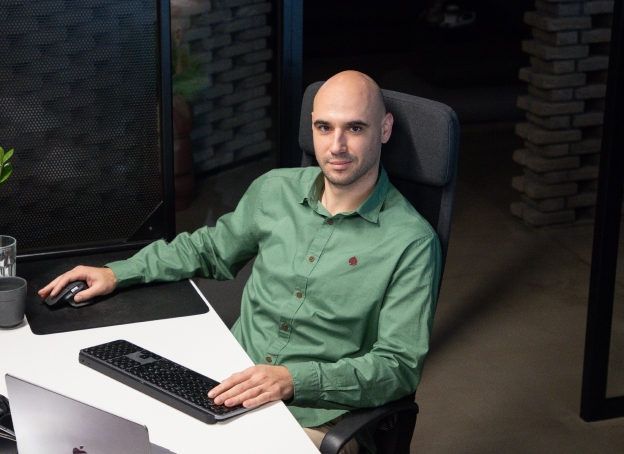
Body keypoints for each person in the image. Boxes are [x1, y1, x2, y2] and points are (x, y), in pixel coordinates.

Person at [39, 70, 442, 453]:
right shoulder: (275, 190)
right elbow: (209, 249)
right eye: (324, 128)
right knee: (96, 426)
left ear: (384, 129)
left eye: (355, 128)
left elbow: (398, 367)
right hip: (223, 385)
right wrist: (118, 272)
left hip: (318, 419)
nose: (336, 145)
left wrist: (291, 380)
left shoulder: (411, 242)